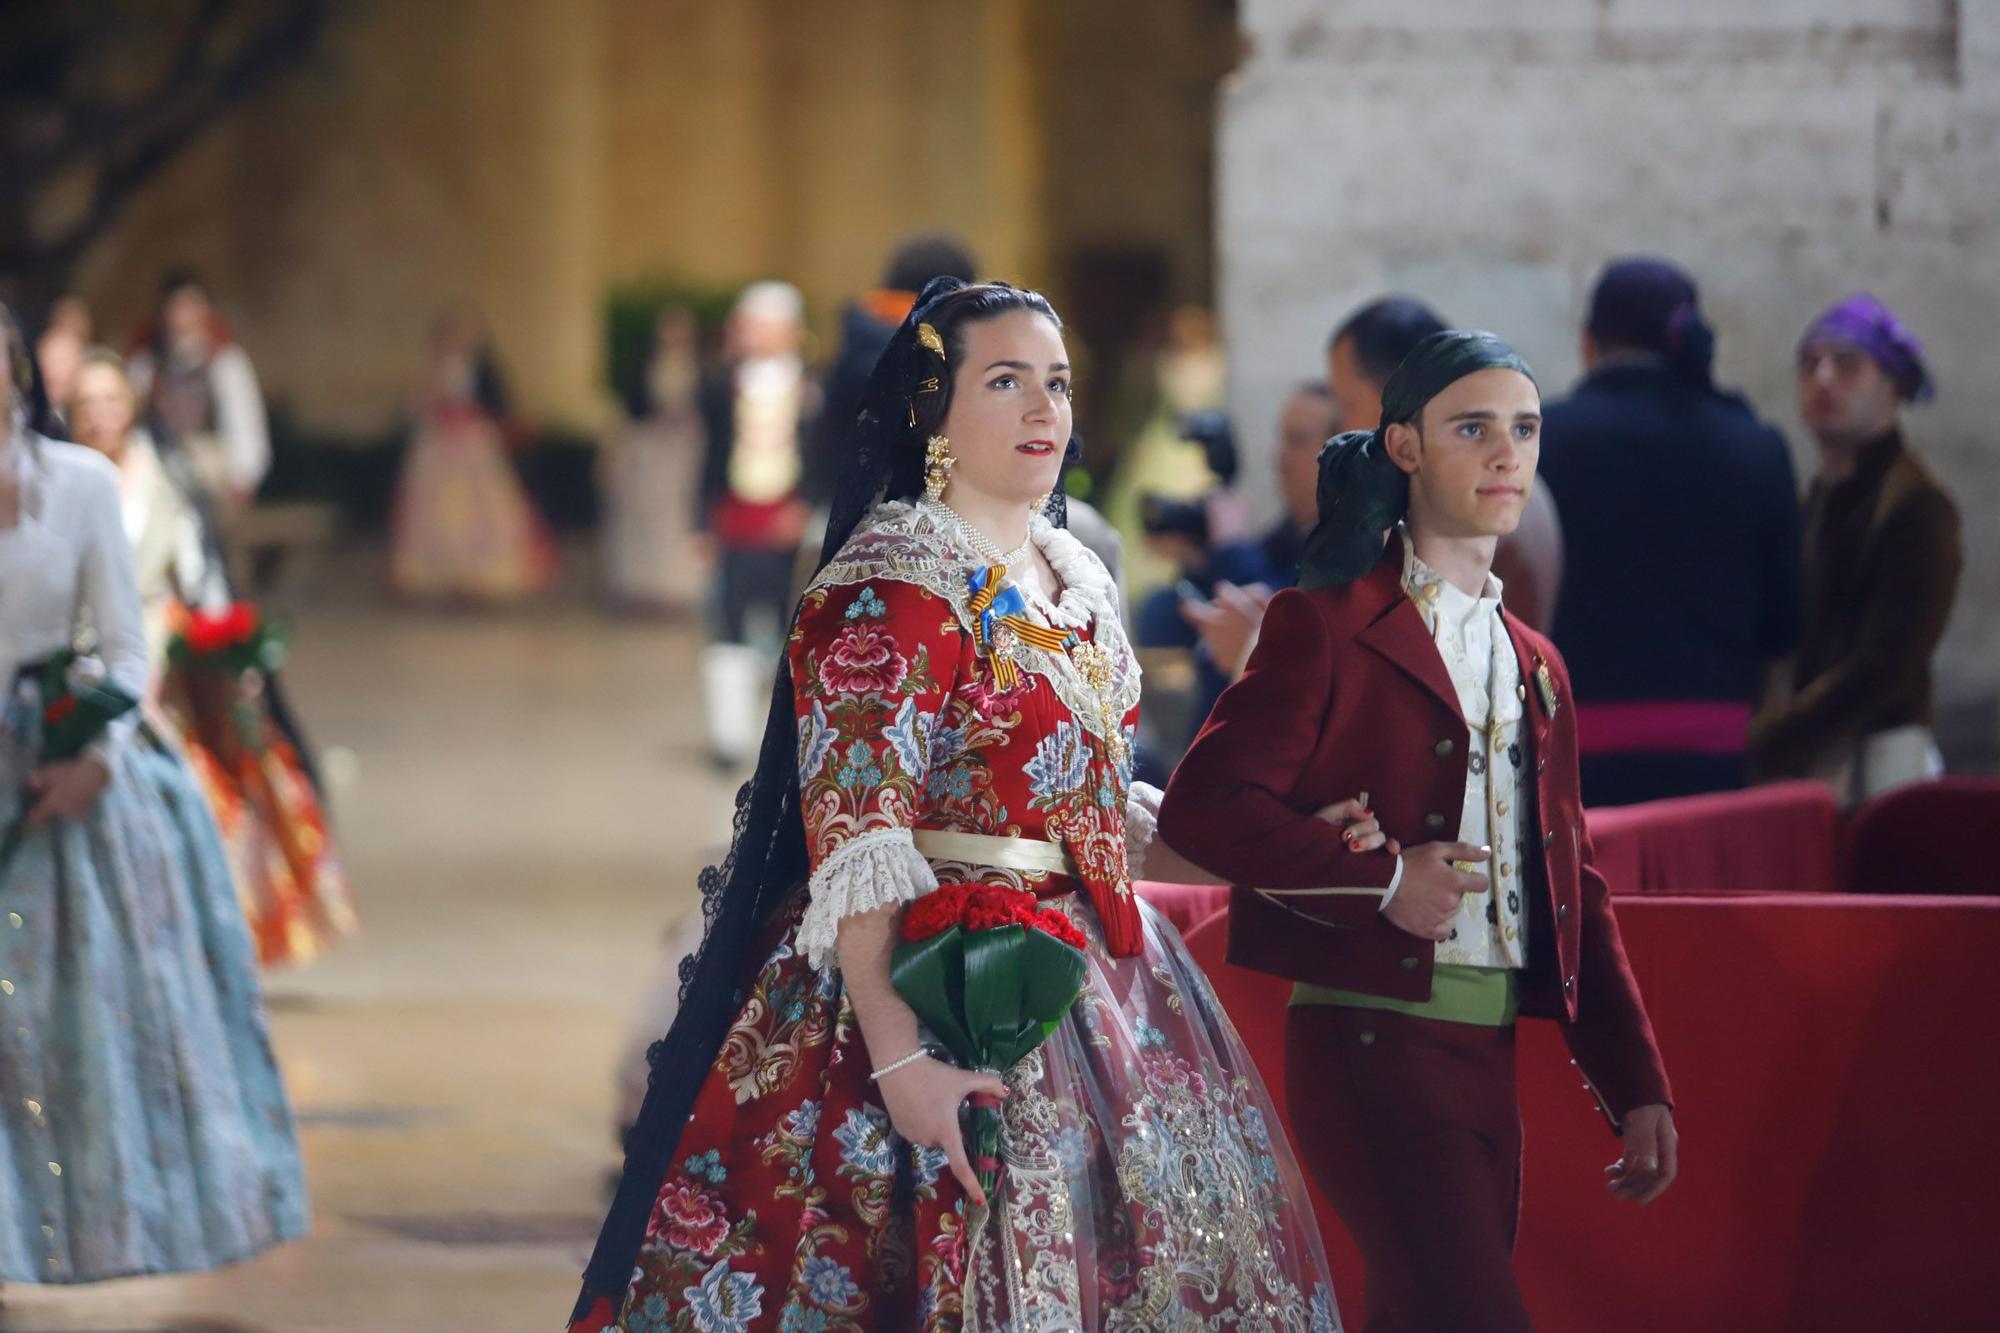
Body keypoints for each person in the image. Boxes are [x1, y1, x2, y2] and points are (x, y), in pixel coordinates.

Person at [570, 280, 1337, 1332]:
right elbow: (857, 844)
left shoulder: (1071, 581)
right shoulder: (887, 587)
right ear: (933, 411)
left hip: (1088, 986)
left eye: (1057, 384)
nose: (1043, 411)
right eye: (1005, 381)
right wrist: (901, 1066)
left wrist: (1307, 850)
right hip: (912, 996)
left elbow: (1104, 813)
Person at [1159, 331, 1676, 1333]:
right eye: (1470, 427)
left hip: (1484, 1054)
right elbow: (1201, 806)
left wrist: (1633, 1081)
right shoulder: (1326, 623)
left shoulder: (1537, 664)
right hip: (1364, 1041)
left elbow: (1577, 882)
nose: (1503, 452)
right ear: (1402, 447)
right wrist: (1385, 878)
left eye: (1522, 429)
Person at [0, 304, 307, 1284]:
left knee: (70, 1018)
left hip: (69, 755)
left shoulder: (80, 485)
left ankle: (82, 1222)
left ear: (16, 376)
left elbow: (126, 648)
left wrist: (93, 754)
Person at [67, 347, 358, 967]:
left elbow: (199, 579)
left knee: (195, 800)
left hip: (155, 662)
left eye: (110, 401)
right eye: (85, 404)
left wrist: (218, 647)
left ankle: (201, 943)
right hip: (69, 661)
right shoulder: (52, 482)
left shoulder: (164, 479)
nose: (99, 415)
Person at [1540, 257, 1802, 806]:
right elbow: (1784, 623)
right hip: (1717, 753)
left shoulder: (1537, 444)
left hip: (1574, 748)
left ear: (1589, 344)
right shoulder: (1756, 445)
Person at [1749, 294, 1962, 808]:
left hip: (1877, 762)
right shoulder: (1823, 497)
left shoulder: (1916, 506)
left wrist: (1773, 736)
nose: (1822, 378)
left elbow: (1886, 665)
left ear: (1892, 387)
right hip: (1820, 754)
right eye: (1810, 364)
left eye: (1847, 365)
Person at [697, 281, 819, 766]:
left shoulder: (814, 385)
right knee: (727, 624)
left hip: (790, 525)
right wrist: (699, 524)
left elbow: (826, 455)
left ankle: (788, 735)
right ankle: (728, 734)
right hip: (735, 522)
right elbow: (710, 458)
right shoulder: (720, 385)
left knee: (789, 627)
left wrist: (808, 505)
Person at [389, 307, 557, 602]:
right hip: (442, 445)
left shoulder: (482, 369)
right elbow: (418, 402)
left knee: (485, 509)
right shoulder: (434, 367)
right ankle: (442, 574)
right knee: (438, 509)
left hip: (473, 444)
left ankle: (481, 574)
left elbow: (496, 405)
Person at [126, 268, 272, 520]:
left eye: (190, 306)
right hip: (160, 462)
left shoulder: (224, 361)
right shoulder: (147, 362)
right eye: (176, 307)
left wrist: (243, 479)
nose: (182, 316)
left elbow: (245, 425)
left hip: (210, 470)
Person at [600, 304, 706, 613]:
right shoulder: (647, 367)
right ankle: (646, 583)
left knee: (680, 514)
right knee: (649, 513)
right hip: (657, 448)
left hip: (686, 447)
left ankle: (679, 583)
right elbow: (637, 407)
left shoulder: (700, 368)